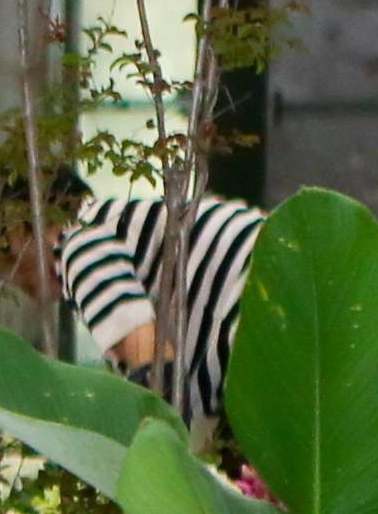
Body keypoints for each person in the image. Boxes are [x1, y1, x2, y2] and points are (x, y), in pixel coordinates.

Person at [57, 180, 267, 427]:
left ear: (19, 233)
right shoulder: (124, 220)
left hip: (266, 323)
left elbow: (156, 377)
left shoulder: (79, 240)